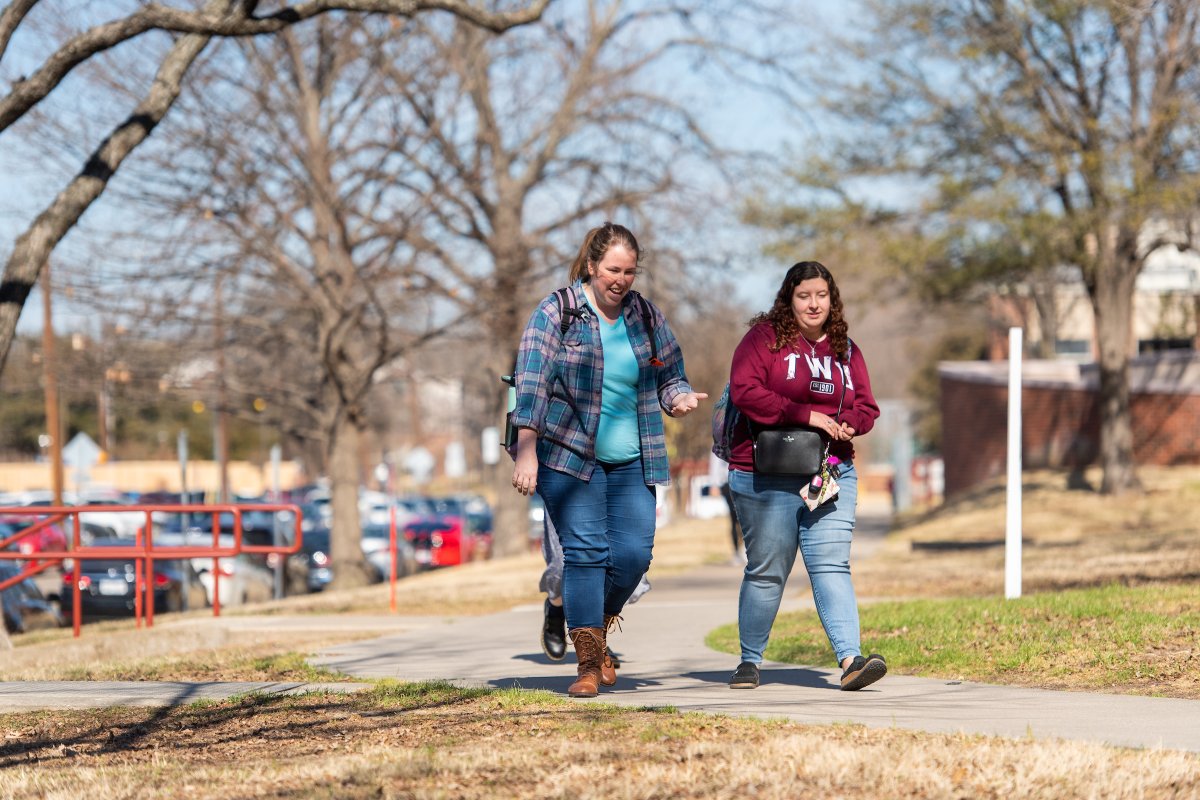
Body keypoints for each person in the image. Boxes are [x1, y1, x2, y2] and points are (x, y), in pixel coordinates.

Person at [511, 221, 706, 698]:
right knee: (585, 555)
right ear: (592, 266)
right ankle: (587, 666)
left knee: (635, 555)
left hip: (633, 458)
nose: (621, 280)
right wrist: (527, 449)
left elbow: (670, 373)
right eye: (612, 270)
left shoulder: (644, 316)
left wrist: (677, 396)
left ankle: (591, 629)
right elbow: (532, 380)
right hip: (567, 455)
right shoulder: (558, 312)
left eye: (630, 272)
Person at [723, 260, 885, 691]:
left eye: (821, 295)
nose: (813, 304)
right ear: (788, 299)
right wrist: (806, 414)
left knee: (832, 564)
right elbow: (745, 390)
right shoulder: (765, 340)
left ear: (832, 300)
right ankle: (749, 661)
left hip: (830, 471)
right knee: (767, 570)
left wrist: (850, 422)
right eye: (804, 296)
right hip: (766, 472)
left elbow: (868, 406)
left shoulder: (844, 348)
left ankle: (852, 660)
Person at [538, 510, 651, 663]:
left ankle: (595, 639)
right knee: (562, 563)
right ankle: (555, 609)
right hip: (566, 488)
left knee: (614, 562)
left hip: (611, 488)